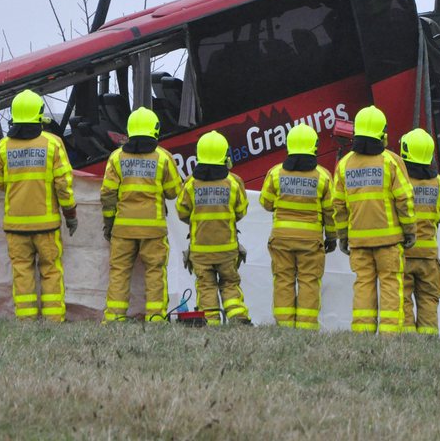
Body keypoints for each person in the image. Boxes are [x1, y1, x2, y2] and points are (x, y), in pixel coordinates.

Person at [0, 89, 77, 322]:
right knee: (50, 271)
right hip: (47, 226)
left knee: (22, 272)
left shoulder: (3, 146)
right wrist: (70, 214)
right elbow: (63, 185)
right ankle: (53, 320)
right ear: (39, 114)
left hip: (15, 227)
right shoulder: (53, 144)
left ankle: (26, 319)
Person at [332, 105, 415, 334]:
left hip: (359, 242)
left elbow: (338, 205)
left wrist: (343, 236)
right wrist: (410, 230)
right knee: (390, 284)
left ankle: (362, 333)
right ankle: (389, 335)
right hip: (389, 242)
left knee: (363, 285)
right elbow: (405, 200)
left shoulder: (345, 164)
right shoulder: (392, 162)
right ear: (383, 132)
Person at [99, 107, 183, 322]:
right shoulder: (164, 158)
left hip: (123, 228)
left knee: (119, 272)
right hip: (153, 228)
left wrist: (109, 223)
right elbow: (174, 191)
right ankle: (155, 317)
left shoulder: (116, 158)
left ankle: (114, 317)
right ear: (155, 129)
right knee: (155, 271)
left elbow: (107, 193)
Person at [259, 124, 336, 330]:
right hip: (311, 242)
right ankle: (306, 328)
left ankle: (284, 327)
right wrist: (332, 237)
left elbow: (265, 203)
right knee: (309, 281)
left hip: (281, 239)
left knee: (283, 279)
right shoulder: (323, 176)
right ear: (315, 146)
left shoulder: (275, 174)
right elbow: (331, 212)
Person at [176, 130, 251, 325]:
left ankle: (211, 322)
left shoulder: (191, 183)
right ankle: (238, 318)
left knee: (206, 286)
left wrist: (199, 221)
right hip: (227, 250)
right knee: (230, 284)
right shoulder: (234, 182)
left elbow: (181, 211)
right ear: (224, 154)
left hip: (200, 252)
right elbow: (241, 210)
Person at [398, 127, 440, 336]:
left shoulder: (400, 182)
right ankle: (429, 341)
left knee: (402, 297)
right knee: (428, 298)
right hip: (429, 257)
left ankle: (409, 342)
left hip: (404, 253)